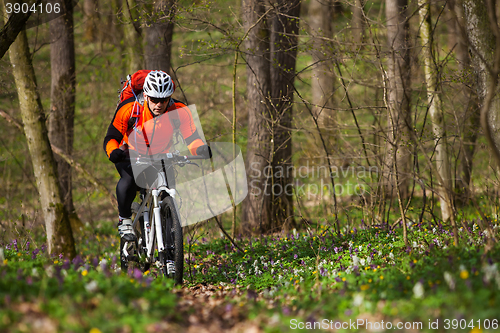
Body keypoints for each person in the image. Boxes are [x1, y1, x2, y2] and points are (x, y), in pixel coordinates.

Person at [103, 70, 211, 241]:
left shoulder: (180, 111)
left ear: (169, 97)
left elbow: (192, 138)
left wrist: (200, 149)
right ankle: (124, 220)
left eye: (164, 100)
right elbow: (111, 137)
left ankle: (169, 238)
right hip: (130, 153)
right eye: (154, 100)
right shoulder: (130, 109)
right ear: (146, 96)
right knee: (129, 180)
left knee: (169, 187)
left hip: (161, 154)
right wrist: (113, 151)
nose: (159, 104)